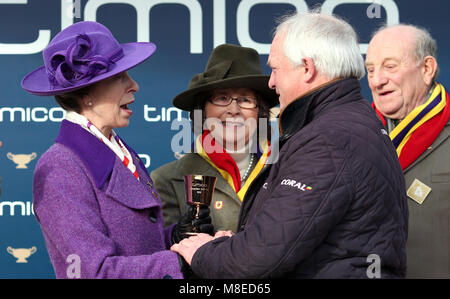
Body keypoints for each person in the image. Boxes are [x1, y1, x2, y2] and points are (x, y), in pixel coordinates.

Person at [171, 11, 408, 279]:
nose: (271, 83)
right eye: (222, 98)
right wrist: (229, 246)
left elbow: (259, 257)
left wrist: (204, 251)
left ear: (307, 68)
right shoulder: (349, 123)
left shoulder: (329, 138)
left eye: (275, 69)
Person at [21, 21, 212, 279]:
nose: (134, 85)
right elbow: (93, 272)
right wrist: (179, 263)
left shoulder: (118, 150)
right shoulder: (60, 166)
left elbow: (138, 246)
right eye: (120, 76)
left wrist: (177, 237)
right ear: (85, 93)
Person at [151, 44, 278, 233]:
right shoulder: (166, 180)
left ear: (260, 111)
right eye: (221, 98)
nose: (234, 110)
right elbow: (166, 255)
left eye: (245, 100)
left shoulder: (288, 170)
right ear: (202, 110)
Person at [365, 24, 450, 278]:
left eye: (390, 66)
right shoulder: (352, 138)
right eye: (370, 70)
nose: (377, 80)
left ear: (427, 69)